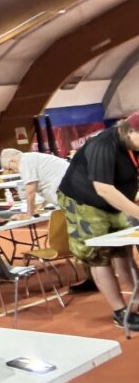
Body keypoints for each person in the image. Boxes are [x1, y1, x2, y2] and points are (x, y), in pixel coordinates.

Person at [56, 112, 139, 330]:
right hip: (83, 201)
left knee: (123, 250)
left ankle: (137, 299)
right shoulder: (103, 145)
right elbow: (103, 189)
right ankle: (120, 312)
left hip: (114, 202)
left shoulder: (133, 146)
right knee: (99, 255)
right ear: (130, 132)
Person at [0, 148, 69, 219]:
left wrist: (29, 214)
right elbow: (51, 179)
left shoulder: (24, 162)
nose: (13, 171)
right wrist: (43, 204)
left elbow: (30, 191)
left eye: (10, 168)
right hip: (69, 193)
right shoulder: (31, 158)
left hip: (68, 197)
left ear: (12, 160)